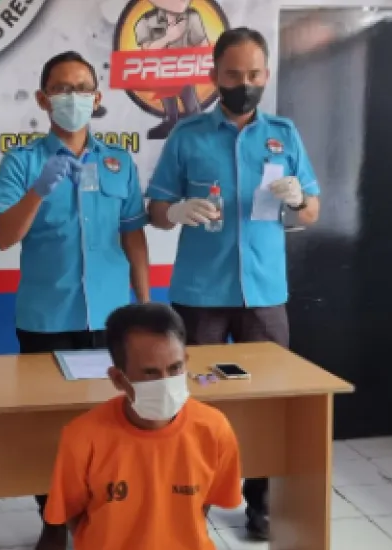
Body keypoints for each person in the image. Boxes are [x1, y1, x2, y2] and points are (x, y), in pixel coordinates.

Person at [144, 27, 321, 541]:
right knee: (194, 405)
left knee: (266, 405)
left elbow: (312, 211)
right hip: (199, 295)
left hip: (263, 294)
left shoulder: (284, 134)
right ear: (214, 76)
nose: (245, 83)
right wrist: (176, 210)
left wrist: (298, 200)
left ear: (266, 75)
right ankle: (193, 499)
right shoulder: (187, 136)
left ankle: (260, 503)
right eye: (233, 74)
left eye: (254, 74)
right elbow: (155, 212)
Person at [0, 50, 151, 545]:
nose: (72, 97)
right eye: (61, 88)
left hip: (111, 320)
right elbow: (1, 238)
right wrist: (37, 192)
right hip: (46, 319)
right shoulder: (21, 162)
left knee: (112, 425)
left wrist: (146, 307)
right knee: (50, 429)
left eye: (82, 88)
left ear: (97, 98)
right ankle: (52, 521)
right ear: (43, 99)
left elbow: (133, 236)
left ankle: (105, 516)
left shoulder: (118, 162)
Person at [38, 303, 243, 550]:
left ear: (186, 361)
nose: (166, 383)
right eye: (150, 373)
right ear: (118, 379)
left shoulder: (214, 429)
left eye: (175, 368)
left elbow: (202, 505)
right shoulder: (82, 436)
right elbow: (73, 514)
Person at [134, 0, 211, 139]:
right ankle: (171, 122)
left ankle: (196, 126)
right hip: (162, 73)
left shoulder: (192, 17)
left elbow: (203, 45)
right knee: (169, 106)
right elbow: (147, 52)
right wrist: (168, 38)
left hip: (185, 71)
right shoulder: (146, 21)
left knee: (192, 107)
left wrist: (193, 60)